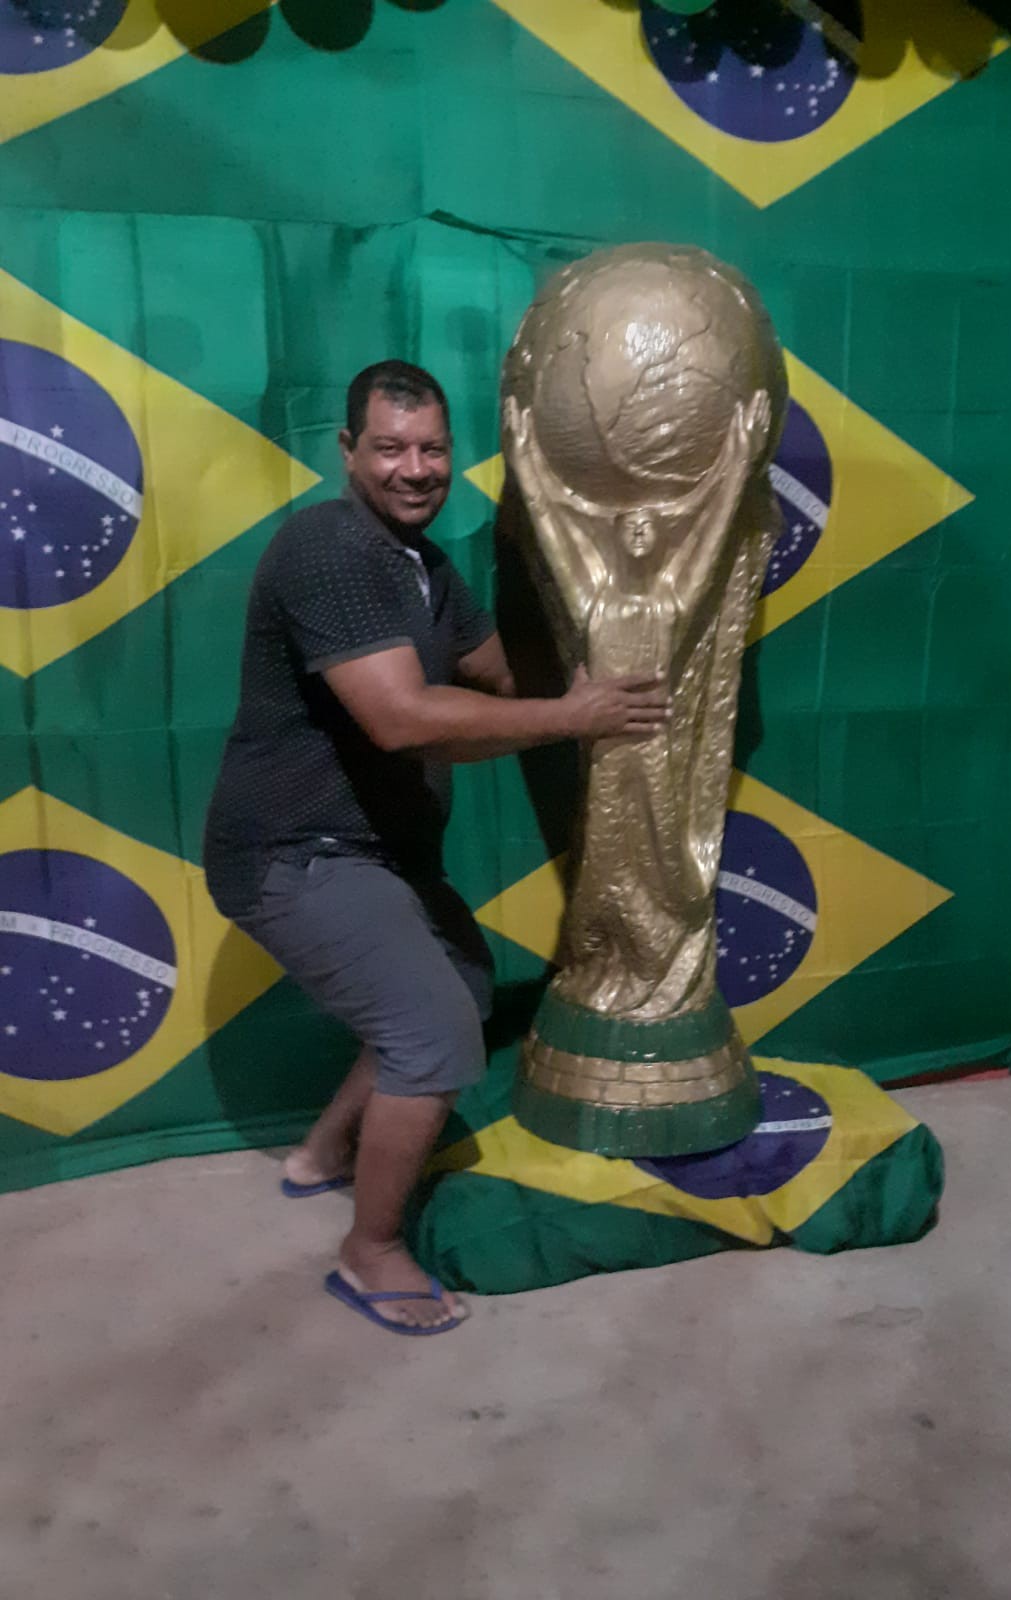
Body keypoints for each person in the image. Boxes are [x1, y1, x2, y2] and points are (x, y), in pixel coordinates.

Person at [203, 360, 669, 1334]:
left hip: (377, 854)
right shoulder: (329, 546)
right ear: (348, 451)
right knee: (439, 1031)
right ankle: (368, 1251)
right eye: (390, 447)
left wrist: (601, 647)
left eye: (431, 449)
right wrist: (575, 715)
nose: (414, 468)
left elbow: (498, 672)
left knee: (456, 980)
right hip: (294, 850)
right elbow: (403, 718)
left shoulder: (427, 567)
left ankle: (321, 1155)